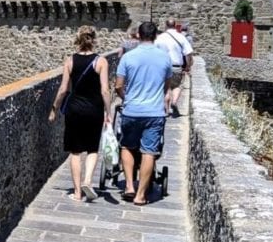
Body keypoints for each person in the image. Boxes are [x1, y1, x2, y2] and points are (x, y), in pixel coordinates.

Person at [115, 21, 177, 205]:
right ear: (155, 36)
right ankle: (141, 195)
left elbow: (118, 85)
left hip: (132, 110)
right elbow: (167, 87)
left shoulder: (128, 57)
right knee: (149, 152)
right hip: (154, 112)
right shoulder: (165, 58)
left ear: (139, 36)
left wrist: (126, 98)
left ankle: (129, 186)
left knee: (126, 146)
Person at [48, 25, 111, 202]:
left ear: (78, 40)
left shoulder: (70, 61)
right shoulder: (101, 62)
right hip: (94, 109)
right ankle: (88, 181)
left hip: (74, 109)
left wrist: (54, 108)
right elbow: (105, 90)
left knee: (75, 152)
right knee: (92, 148)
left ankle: (77, 192)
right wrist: (109, 111)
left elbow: (63, 89)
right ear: (94, 39)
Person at [155, 17, 193, 117]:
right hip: (176, 67)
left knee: (166, 88)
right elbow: (188, 54)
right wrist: (187, 66)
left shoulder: (160, 38)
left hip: (162, 67)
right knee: (177, 85)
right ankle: (174, 102)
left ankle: (166, 110)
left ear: (166, 25)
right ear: (175, 25)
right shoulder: (181, 37)